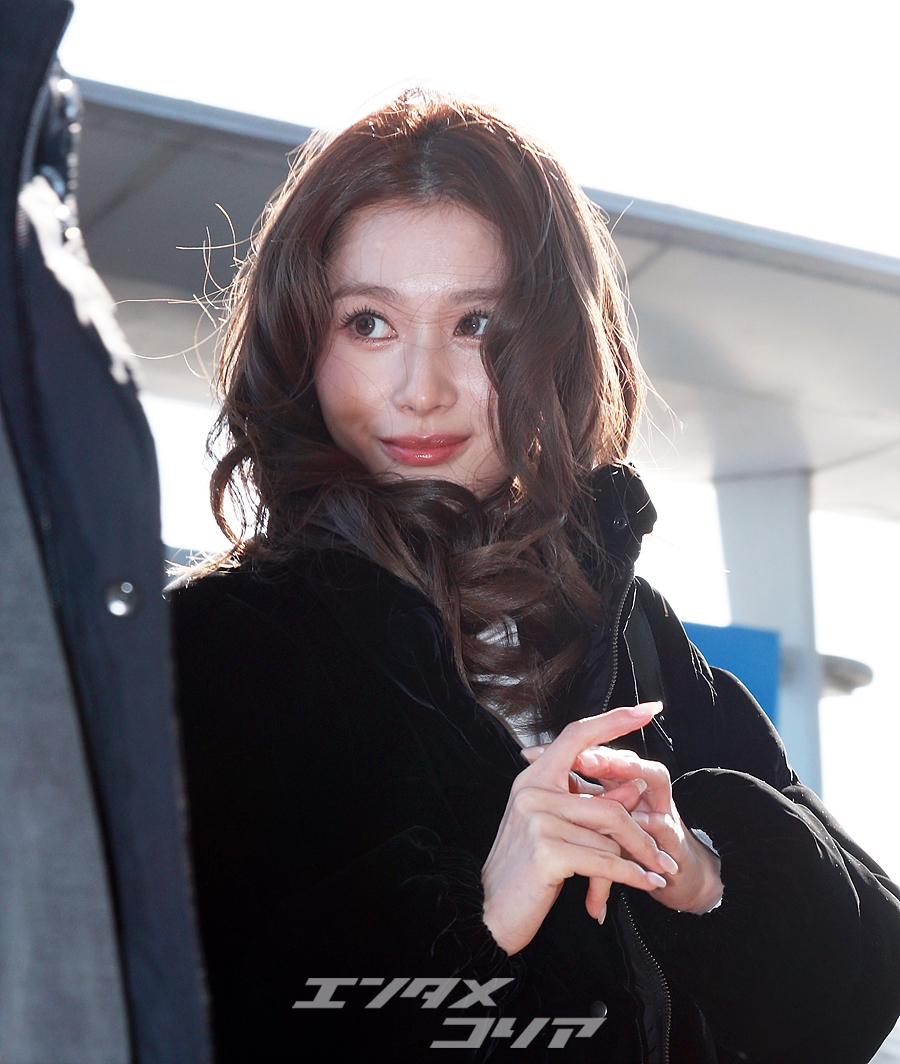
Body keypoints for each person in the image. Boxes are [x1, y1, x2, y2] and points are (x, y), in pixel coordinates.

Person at [170, 90, 900, 1063]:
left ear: (553, 341)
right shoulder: (209, 648)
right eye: (368, 323)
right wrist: (481, 916)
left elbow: (863, 985)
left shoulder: (623, 622)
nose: (422, 388)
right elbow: (162, 1012)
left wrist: (697, 870)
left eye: (477, 323)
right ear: (300, 342)